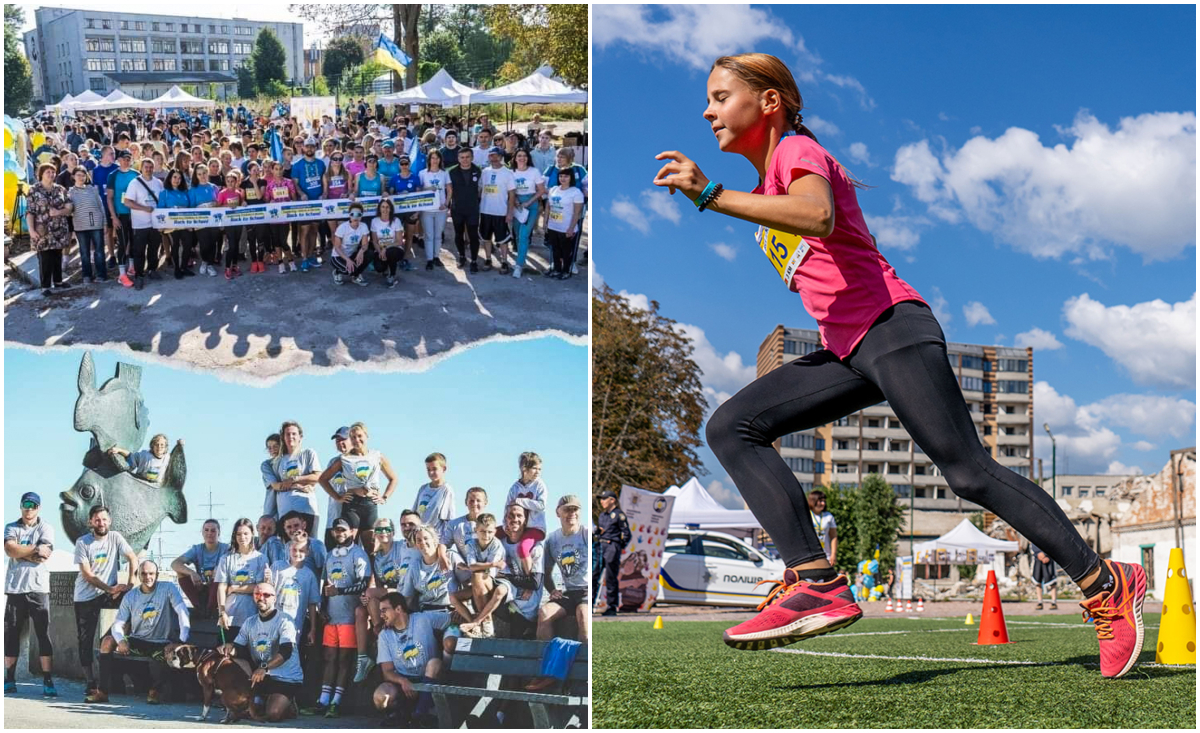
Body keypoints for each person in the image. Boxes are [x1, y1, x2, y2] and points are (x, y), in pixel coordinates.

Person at [660, 52, 1146, 677]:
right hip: (849, 349)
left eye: (721, 96)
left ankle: (1105, 581)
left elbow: (819, 214)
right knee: (733, 426)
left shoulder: (796, 154)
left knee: (969, 474)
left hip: (892, 329)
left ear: (769, 103)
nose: (707, 110)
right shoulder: (769, 183)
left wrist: (710, 195)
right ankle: (816, 580)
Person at [93, 560, 190, 704]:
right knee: (107, 642)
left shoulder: (168, 588)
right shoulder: (130, 596)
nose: (148, 577)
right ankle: (102, 692)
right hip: (138, 641)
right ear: (139, 575)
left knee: (171, 655)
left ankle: (155, 691)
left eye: (151, 573)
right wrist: (121, 640)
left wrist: (181, 642)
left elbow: (182, 612)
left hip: (161, 642)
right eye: (144, 574)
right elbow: (118, 624)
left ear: (157, 575)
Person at [301, 517, 371, 718]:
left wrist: (339, 591)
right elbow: (325, 584)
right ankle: (323, 700)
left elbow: (363, 584)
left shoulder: (359, 555)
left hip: (350, 617)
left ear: (352, 531)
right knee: (329, 658)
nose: (338, 533)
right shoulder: (331, 555)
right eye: (335, 530)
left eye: (342, 529)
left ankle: (336, 702)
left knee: (343, 660)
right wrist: (322, 605)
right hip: (331, 617)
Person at [75, 505, 139, 701]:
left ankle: (115, 672)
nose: (100, 523)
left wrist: (130, 582)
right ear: (90, 522)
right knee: (85, 640)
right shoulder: (82, 542)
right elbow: (87, 574)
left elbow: (132, 557)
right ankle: (90, 682)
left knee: (119, 627)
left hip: (108, 594)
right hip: (86, 596)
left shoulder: (115, 537)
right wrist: (110, 588)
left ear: (109, 521)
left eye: (104, 519)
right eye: (96, 519)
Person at [221, 582, 305, 723]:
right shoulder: (249, 622)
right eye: (257, 595)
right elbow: (238, 649)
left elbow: (286, 652)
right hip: (261, 677)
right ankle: (258, 701)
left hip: (286, 678)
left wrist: (264, 668)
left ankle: (289, 705)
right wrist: (228, 648)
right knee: (230, 663)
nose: (261, 598)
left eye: (266, 595)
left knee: (272, 714)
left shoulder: (285, 621)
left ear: (274, 598)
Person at [4, 492, 57, 697]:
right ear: (20, 506)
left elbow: (45, 554)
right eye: (26, 504)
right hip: (15, 588)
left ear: (39, 508)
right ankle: (9, 678)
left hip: (38, 589)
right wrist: (32, 550)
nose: (29, 508)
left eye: (33, 505)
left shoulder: (46, 527)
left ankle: (48, 680)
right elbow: (9, 549)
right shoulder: (11, 527)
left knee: (43, 635)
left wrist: (22, 550)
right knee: (11, 635)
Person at [464, 504, 542, 638]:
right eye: (511, 516)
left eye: (519, 516)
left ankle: (478, 622)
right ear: (505, 519)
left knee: (514, 645)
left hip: (524, 608)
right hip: (505, 602)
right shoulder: (499, 541)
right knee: (477, 582)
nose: (515, 519)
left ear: (526, 520)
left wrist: (507, 576)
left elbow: (534, 583)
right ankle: (483, 625)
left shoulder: (535, 546)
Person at [322, 422, 397, 551]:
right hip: (352, 504)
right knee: (350, 545)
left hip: (370, 504)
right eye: (353, 437)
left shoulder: (377, 456)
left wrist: (384, 497)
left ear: (366, 436)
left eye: (359, 436)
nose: (357, 440)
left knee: (371, 547)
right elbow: (323, 479)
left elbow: (393, 479)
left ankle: (373, 571)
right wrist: (338, 497)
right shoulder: (344, 459)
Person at [372, 591, 441, 728]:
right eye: (380, 611)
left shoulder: (422, 619)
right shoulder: (384, 636)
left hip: (429, 680)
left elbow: (450, 618)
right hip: (404, 684)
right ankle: (399, 716)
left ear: (398, 609)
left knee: (434, 663)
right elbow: (387, 671)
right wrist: (403, 681)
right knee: (380, 697)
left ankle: (419, 716)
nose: (381, 615)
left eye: (384, 610)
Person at [537, 495, 589, 643]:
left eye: (575, 509)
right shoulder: (552, 539)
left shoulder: (585, 534)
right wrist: (552, 590)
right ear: (558, 512)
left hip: (586, 591)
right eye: (567, 509)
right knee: (544, 613)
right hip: (569, 593)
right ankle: (545, 660)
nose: (571, 513)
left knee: (584, 615)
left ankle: (584, 663)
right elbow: (545, 572)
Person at [448, 513, 503, 639]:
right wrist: (475, 567)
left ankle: (487, 623)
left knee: (477, 577)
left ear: (495, 531)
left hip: (492, 582)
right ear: (476, 530)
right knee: (453, 597)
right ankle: (473, 622)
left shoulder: (496, 545)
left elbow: (488, 571)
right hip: (477, 584)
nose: (486, 535)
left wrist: (474, 567)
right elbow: (472, 566)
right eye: (482, 531)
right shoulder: (471, 544)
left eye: (490, 531)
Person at [216, 518, 269, 640]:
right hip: (229, 618)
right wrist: (222, 612)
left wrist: (235, 588)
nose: (242, 537)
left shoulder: (261, 558)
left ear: (252, 534)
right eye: (238, 534)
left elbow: (258, 587)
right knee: (225, 655)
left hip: (252, 617)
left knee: (246, 656)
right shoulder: (226, 558)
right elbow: (222, 587)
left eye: (246, 533)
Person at [270, 541, 320, 664]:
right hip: (273, 621)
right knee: (270, 654)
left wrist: (313, 629)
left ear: (307, 552)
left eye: (301, 550)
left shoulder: (309, 575)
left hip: (294, 625)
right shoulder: (278, 566)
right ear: (288, 549)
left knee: (288, 657)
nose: (297, 553)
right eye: (294, 550)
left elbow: (312, 604)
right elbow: (268, 590)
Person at [27, 163, 73, 297]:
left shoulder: (60, 189)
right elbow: (30, 212)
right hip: (42, 231)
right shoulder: (34, 190)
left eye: (53, 172)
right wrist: (31, 230)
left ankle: (58, 281)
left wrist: (59, 212)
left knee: (57, 256)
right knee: (45, 258)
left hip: (59, 229)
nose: (51, 174)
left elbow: (69, 207)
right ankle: (45, 286)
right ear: (41, 174)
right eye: (48, 172)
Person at [270, 422, 322, 536]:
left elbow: (318, 477)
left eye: (294, 434)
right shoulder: (278, 460)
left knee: (310, 546)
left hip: (306, 509)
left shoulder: (308, 453)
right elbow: (276, 485)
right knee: (289, 550)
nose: (290, 437)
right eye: (287, 434)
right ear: (283, 437)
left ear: (300, 437)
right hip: (285, 512)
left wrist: (294, 479)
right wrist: (294, 485)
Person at [122, 157, 165, 290]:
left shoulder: (158, 183)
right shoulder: (134, 183)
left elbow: (163, 200)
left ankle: (152, 270)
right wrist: (144, 208)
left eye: (151, 167)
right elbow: (127, 202)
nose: (148, 169)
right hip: (140, 224)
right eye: (146, 167)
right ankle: (139, 276)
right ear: (141, 168)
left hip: (155, 223)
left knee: (154, 248)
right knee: (139, 251)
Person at [171, 519, 229, 617]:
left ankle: (211, 610)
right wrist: (192, 573)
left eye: (213, 530)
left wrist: (219, 569)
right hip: (201, 587)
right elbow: (175, 564)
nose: (209, 533)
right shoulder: (197, 549)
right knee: (180, 573)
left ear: (219, 533)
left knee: (220, 573)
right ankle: (199, 608)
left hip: (217, 590)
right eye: (206, 530)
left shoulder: (226, 548)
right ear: (202, 532)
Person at [505, 452, 548, 570]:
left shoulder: (539, 485)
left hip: (535, 527)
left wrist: (520, 501)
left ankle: (529, 580)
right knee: (493, 532)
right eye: (535, 468)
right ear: (524, 468)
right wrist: (505, 526)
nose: (538, 472)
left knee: (523, 548)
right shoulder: (515, 487)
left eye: (540, 469)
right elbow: (507, 507)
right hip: (518, 527)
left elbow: (541, 505)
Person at [478, 147, 517, 274]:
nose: (493, 158)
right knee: (486, 238)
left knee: (502, 240)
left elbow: (512, 194)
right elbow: (480, 190)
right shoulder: (484, 172)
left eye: (496, 156)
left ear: (501, 157)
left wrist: (510, 212)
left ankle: (504, 261)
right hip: (485, 211)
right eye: (491, 156)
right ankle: (488, 259)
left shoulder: (508, 173)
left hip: (500, 212)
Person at [510, 148, 547, 279]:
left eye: (524, 156)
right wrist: (515, 202)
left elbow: (541, 190)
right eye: (519, 156)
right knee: (518, 236)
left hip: (531, 205)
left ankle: (518, 266)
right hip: (516, 205)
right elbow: (509, 191)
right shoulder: (511, 173)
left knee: (524, 235)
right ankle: (522, 258)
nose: (522, 158)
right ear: (515, 158)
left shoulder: (534, 172)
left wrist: (529, 202)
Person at [291, 137, 326, 271]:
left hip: (317, 202)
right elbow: (295, 183)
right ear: (303, 148)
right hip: (304, 203)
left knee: (314, 229)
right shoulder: (297, 165)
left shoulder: (321, 164)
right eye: (307, 146)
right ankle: (304, 258)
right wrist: (301, 194)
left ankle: (311, 255)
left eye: (312, 146)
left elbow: (324, 181)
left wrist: (324, 194)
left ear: (315, 148)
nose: (310, 148)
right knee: (304, 230)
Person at [67, 166, 108, 283]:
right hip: (81, 226)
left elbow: (101, 206)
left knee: (99, 251)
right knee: (84, 252)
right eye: (78, 175)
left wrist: (104, 223)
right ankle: (87, 276)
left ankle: (101, 274)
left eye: (83, 175)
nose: (81, 177)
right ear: (73, 177)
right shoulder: (70, 193)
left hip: (96, 224)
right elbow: (69, 210)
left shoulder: (92, 189)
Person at [544, 167, 584, 279]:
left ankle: (566, 270)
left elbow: (577, 213)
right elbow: (548, 207)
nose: (563, 178)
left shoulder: (576, 192)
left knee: (566, 251)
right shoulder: (553, 190)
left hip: (566, 227)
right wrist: (545, 223)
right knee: (555, 249)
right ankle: (557, 269)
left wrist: (571, 228)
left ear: (571, 178)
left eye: (566, 176)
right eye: (561, 176)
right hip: (553, 226)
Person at [596, 490, 631, 616]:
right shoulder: (602, 515)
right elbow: (600, 531)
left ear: (612, 500)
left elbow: (627, 534)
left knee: (610, 577)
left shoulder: (619, 515)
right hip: (601, 545)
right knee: (594, 575)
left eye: (605, 499)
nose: (602, 501)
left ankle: (612, 606)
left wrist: (618, 546)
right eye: (601, 499)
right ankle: (589, 604)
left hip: (612, 545)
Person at [448, 148, 483, 271]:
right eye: (462, 157)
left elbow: (481, 189)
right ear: (458, 159)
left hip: (472, 209)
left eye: (467, 157)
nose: (465, 160)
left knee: (473, 235)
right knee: (458, 234)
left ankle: (474, 260)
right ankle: (462, 256)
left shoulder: (478, 170)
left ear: (472, 157)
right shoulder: (451, 172)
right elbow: (448, 190)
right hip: (457, 209)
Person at [158, 168, 196, 279]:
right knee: (175, 246)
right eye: (174, 177)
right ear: (169, 178)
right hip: (172, 226)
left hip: (185, 224)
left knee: (188, 245)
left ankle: (184, 267)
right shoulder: (164, 193)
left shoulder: (185, 192)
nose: (177, 180)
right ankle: (177, 269)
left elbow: (189, 208)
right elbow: (160, 210)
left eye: (179, 178)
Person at [263, 160, 299, 274]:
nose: (278, 171)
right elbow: (266, 200)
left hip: (285, 217)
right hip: (274, 216)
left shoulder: (289, 182)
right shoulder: (270, 185)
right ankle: (280, 262)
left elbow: (294, 197)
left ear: (283, 170)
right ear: (272, 170)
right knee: (276, 241)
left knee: (283, 241)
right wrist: (270, 201)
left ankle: (291, 260)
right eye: (276, 169)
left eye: (280, 169)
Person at [418, 150, 450, 270]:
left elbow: (449, 189)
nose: (435, 160)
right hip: (427, 209)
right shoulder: (423, 174)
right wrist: (428, 188)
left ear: (440, 160)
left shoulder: (444, 173)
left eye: (437, 158)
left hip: (441, 209)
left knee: (438, 235)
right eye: (432, 158)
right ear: (429, 160)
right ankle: (429, 259)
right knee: (429, 235)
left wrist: (446, 204)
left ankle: (436, 257)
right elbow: (419, 190)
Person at [189, 164, 222, 277]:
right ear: (196, 176)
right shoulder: (193, 189)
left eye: (204, 173)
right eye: (199, 174)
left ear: (207, 173)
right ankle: (204, 261)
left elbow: (219, 204)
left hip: (214, 220)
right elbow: (192, 207)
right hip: (200, 221)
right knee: (204, 243)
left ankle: (210, 264)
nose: (202, 176)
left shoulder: (214, 187)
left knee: (213, 242)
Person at [412, 453, 455, 540]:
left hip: (435, 537)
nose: (431, 472)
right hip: (420, 536)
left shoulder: (446, 490)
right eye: (428, 469)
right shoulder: (423, 488)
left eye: (434, 469)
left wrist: (443, 542)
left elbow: (448, 520)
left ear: (444, 469)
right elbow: (415, 513)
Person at [106, 433, 177, 485]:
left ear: (165, 447)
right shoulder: (144, 456)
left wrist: (180, 446)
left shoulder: (168, 459)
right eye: (157, 444)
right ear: (152, 446)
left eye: (162, 445)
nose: (159, 447)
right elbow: (131, 456)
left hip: (156, 488)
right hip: (141, 484)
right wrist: (119, 450)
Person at [330, 202, 373, 286]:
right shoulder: (342, 227)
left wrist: (361, 251)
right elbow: (337, 248)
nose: (356, 217)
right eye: (353, 214)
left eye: (359, 214)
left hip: (351, 254)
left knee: (369, 253)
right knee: (349, 270)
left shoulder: (363, 226)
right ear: (349, 215)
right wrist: (347, 260)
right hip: (338, 256)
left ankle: (355, 276)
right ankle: (337, 272)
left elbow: (365, 244)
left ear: (361, 216)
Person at [367, 198, 405, 288]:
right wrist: (380, 251)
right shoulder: (374, 221)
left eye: (387, 207)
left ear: (391, 209)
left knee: (390, 253)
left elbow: (399, 241)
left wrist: (385, 248)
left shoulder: (396, 220)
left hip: (395, 248)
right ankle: (386, 268)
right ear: (379, 208)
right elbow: (374, 241)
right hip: (380, 249)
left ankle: (392, 275)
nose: (385, 209)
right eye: (383, 207)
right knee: (379, 268)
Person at [216, 170, 246, 280]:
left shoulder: (238, 193)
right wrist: (226, 205)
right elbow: (217, 207)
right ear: (225, 182)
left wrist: (243, 203)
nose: (230, 183)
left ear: (236, 182)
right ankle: (227, 268)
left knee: (236, 245)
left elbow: (241, 203)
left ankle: (234, 265)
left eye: (232, 181)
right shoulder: (222, 193)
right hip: (228, 223)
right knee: (232, 245)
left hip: (237, 222)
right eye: (228, 181)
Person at [240, 162, 270, 273]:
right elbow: (242, 198)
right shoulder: (243, 183)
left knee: (260, 239)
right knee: (251, 239)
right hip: (249, 215)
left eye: (257, 169)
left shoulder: (262, 181)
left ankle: (261, 261)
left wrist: (254, 183)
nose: (256, 172)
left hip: (260, 215)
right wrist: (243, 201)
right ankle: (254, 261)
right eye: (254, 170)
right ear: (248, 171)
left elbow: (259, 196)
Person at [808, 490, 838, 566]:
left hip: (826, 555)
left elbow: (833, 536)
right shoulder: (806, 515)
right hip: (810, 555)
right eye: (820, 501)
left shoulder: (828, 516)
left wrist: (833, 554)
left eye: (824, 501)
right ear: (813, 501)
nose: (823, 503)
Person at [1030, 542, 1058, 610]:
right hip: (1037, 558)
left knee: (1052, 581)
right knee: (1037, 581)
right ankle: (1040, 602)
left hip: (1049, 558)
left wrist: (1047, 555)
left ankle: (1053, 602)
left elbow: (1053, 543)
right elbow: (1033, 542)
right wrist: (1038, 553)